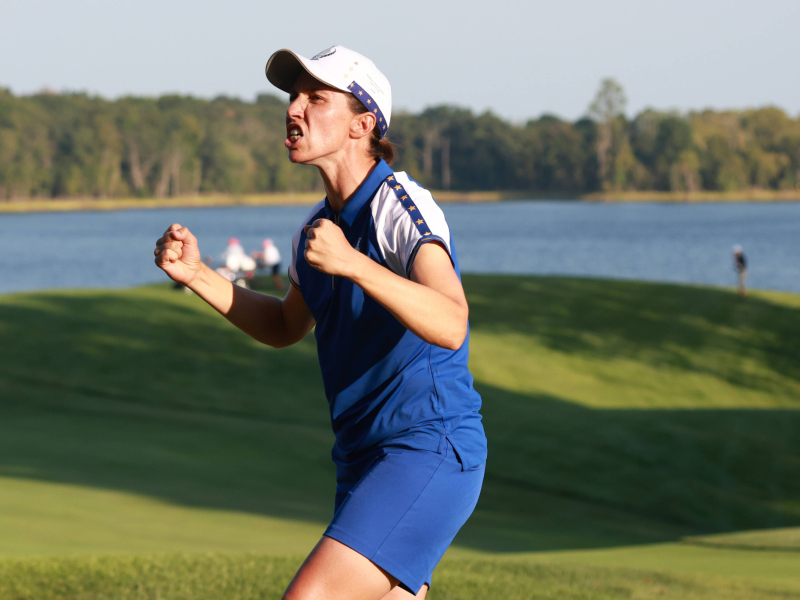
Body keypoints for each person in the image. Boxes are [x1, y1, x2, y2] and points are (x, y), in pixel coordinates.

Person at [153, 45, 486, 600]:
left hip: (428, 449)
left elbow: (452, 321)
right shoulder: (315, 229)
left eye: (316, 97)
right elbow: (286, 325)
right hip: (362, 462)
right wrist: (198, 276)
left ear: (363, 123)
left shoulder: (400, 206)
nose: (294, 109)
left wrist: (354, 263)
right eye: (292, 96)